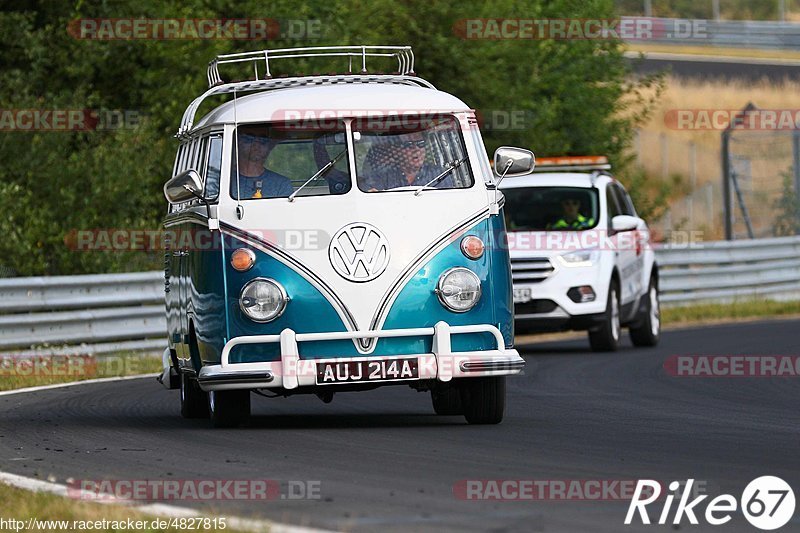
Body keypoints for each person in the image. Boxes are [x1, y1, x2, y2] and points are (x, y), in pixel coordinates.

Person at [362, 131, 455, 191]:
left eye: (421, 144)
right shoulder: (383, 177)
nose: (416, 149)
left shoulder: (439, 174)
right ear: (397, 150)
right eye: (409, 145)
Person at [231, 131, 294, 199]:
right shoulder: (224, 180)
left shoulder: (282, 184)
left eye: (263, 140)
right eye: (249, 139)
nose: (256, 145)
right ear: (237, 143)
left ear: (269, 148)